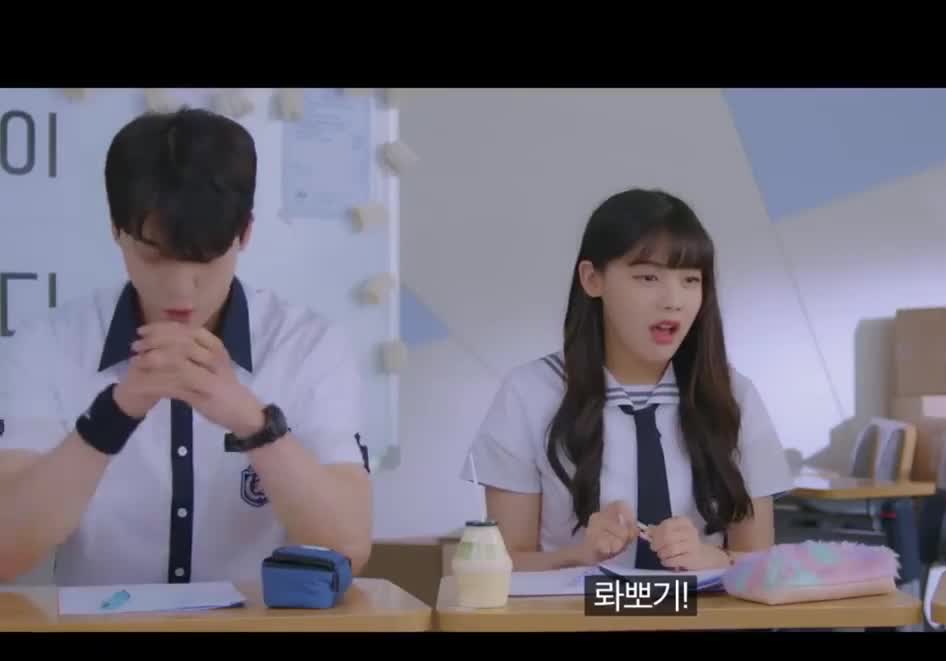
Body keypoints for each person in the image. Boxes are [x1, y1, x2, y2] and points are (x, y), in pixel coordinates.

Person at [0, 107, 373, 586]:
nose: (180, 291)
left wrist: (254, 424)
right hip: (102, 621)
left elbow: (348, 549)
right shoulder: (48, 345)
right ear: (116, 229)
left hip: (262, 621)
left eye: (205, 259)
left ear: (244, 233)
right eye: (154, 255)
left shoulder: (308, 346)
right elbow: (5, 554)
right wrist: (112, 416)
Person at [462, 188, 793, 571]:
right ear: (592, 280)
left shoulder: (732, 396)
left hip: (699, 608)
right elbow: (501, 567)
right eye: (648, 277)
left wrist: (712, 558)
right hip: (576, 608)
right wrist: (578, 556)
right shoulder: (530, 392)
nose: (673, 300)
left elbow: (760, 565)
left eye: (690, 280)